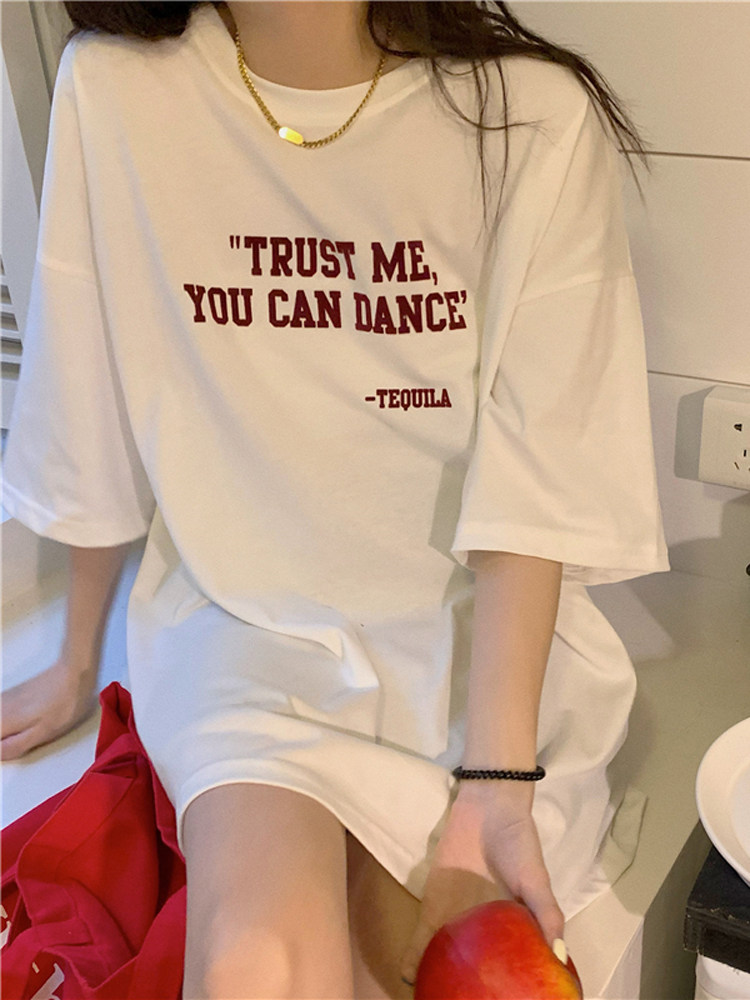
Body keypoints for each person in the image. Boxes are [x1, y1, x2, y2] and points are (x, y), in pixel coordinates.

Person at [1, 1, 670, 997]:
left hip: (477, 658)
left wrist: (496, 785)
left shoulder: (532, 117)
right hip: (244, 632)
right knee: (256, 963)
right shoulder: (118, 89)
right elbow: (86, 397)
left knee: (408, 959)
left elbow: (538, 481)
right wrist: (74, 659)